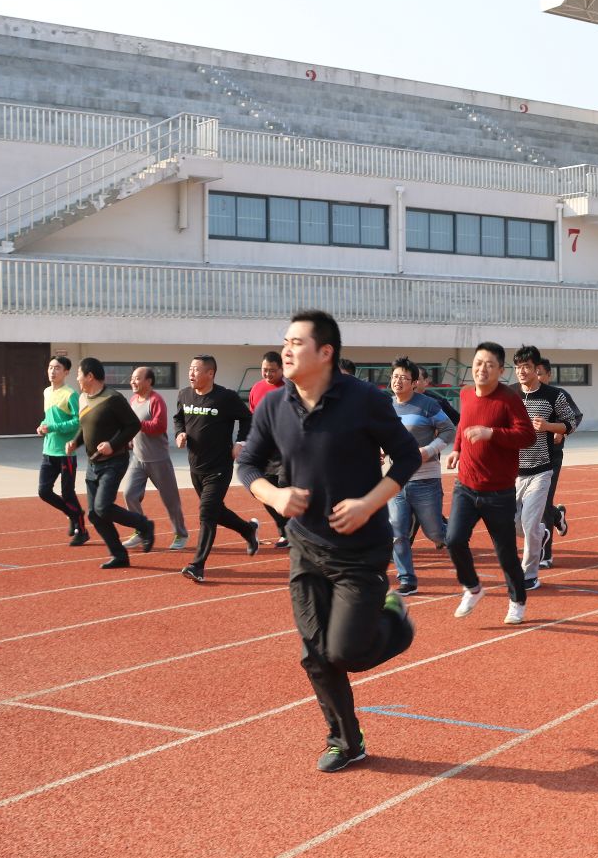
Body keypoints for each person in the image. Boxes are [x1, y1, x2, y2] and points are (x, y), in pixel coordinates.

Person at [236, 311, 418, 774]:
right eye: (285, 341)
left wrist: (368, 504)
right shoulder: (273, 406)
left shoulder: (364, 400)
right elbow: (248, 465)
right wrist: (275, 495)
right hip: (305, 545)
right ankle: (346, 741)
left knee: (346, 652)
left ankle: (394, 621)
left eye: (297, 342)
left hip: (360, 549)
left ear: (325, 352)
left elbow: (406, 456)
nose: (286, 350)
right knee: (315, 655)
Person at [443, 342, 537, 624]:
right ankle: (472, 587)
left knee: (505, 552)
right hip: (465, 486)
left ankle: (517, 601)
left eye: (489, 364)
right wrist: (457, 449)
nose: (482, 369)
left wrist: (491, 433)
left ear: (501, 370)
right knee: (453, 540)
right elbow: (463, 424)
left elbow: (527, 436)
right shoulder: (465, 393)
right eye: (478, 363)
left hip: (498, 492)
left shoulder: (509, 399)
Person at [174, 354, 259, 583]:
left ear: (210, 373)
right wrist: (180, 433)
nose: (191, 373)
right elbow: (179, 418)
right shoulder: (184, 394)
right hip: (195, 466)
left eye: (196, 369)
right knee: (216, 511)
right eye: (190, 369)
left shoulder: (226, 397)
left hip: (219, 467)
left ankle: (197, 565)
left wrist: (240, 442)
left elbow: (248, 418)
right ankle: (247, 529)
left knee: (206, 513)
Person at [67, 358, 152, 569]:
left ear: (90, 376)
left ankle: (144, 525)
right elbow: (85, 426)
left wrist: (112, 445)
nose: (77, 378)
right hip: (93, 463)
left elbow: (133, 425)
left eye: (79, 374)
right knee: (95, 514)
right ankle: (119, 556)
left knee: (103, 508)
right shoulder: (82, 398)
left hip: (114, 461)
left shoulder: (113, 398)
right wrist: (75, 442)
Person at [512, 346, 580, 590]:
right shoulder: (509, 395)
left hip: (541, 470)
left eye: (526, 367)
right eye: (518, 367)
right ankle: (543, 534)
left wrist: (549, 427)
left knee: (530, 523)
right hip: (512, 472)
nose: (521, 372)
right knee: (513, 524)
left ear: (536, 369)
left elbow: (571, 423)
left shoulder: (554, 395)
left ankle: (529, 574)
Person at [386, 357, 454, 596]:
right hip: (396, 480)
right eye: (395, 377)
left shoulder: (427, 405)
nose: (397, 381)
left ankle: (455, 537)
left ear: (414, 383)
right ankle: (407, 579)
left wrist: (428, 451)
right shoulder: (386, 406)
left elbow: (448, 430)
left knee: (434, 532)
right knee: (397, 532)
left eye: (403, 378)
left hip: (425, 479)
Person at [121, 366, 190, 552]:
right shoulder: (133, 400)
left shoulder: (156, 400)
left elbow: (159, 426)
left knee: (170, 500)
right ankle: (141, 530)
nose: (132, 381)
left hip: (158, 459)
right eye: (132, 378)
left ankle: (181, 534)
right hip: (138, 458)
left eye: (137, 378)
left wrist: (137, 425)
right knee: (129, 494)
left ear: (149, 381)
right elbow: (132, 426)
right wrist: (129, 438)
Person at [36, 355, 88, 546]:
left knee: (67, 493)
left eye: (57, 368)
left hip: (66, 453)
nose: (52, 371)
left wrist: (54, 427)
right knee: (44, 491)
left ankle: (82, 530)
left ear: (66, 372)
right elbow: (48, 418)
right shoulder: (47, 392)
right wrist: (42, 426)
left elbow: (78, 422)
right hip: (49, 450)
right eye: (50, 367)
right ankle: (74, 514)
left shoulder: (70, 394)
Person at [536, 358, 582, 568]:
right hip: (524, 458)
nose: (535, 377)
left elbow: (574, 417)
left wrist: (561, 431)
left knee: (543, 502)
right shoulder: (519, 394)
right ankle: (557, 514)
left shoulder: (558, 395)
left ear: (549, 375)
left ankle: (545, 555)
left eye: (540, 373)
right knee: (523, 504)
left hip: (550, 457)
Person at [249, 351, 291, 548]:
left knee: (284, 486)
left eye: (272, 370)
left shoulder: (290, 389)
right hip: (265, 450)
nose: (267, 374)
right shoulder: (256, 388)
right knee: (261, 489)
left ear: (282, 370)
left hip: (287, 450)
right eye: (264, 370)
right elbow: (253, 418)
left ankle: (293, 531)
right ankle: (286, 530)